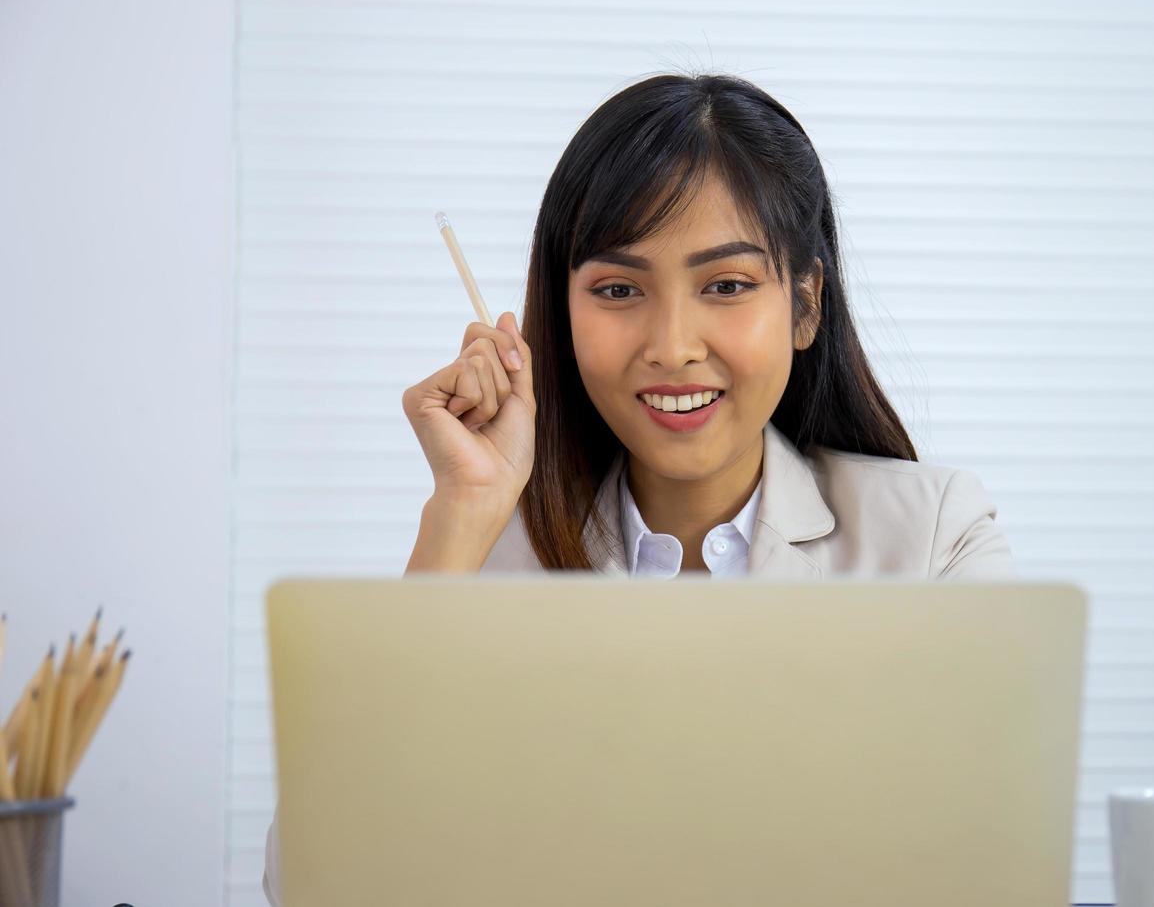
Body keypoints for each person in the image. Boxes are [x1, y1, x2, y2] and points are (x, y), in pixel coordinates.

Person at [262, 71, 1016, 904]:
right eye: (619, 290)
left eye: (726, 285)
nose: (671, 345)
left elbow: (989, 870)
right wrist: (461, 516)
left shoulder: (934, 540)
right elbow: (312, 882)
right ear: (564, 312)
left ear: (804, 305)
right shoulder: (482, 567)